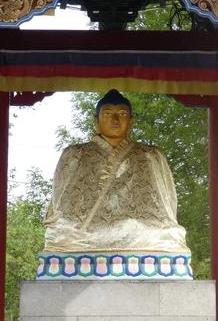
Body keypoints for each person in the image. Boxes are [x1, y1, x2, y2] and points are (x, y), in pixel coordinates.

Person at [38, 89, 191, 279]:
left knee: (167, 236)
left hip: (138, 229)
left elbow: (166, 207)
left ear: (131, 122)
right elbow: (61, 204)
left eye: (122, 114)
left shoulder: (150, 155)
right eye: (108, 113)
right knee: (61, 235)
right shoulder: (75, 154)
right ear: (96, 122)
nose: (116, 119)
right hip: (83, 231)